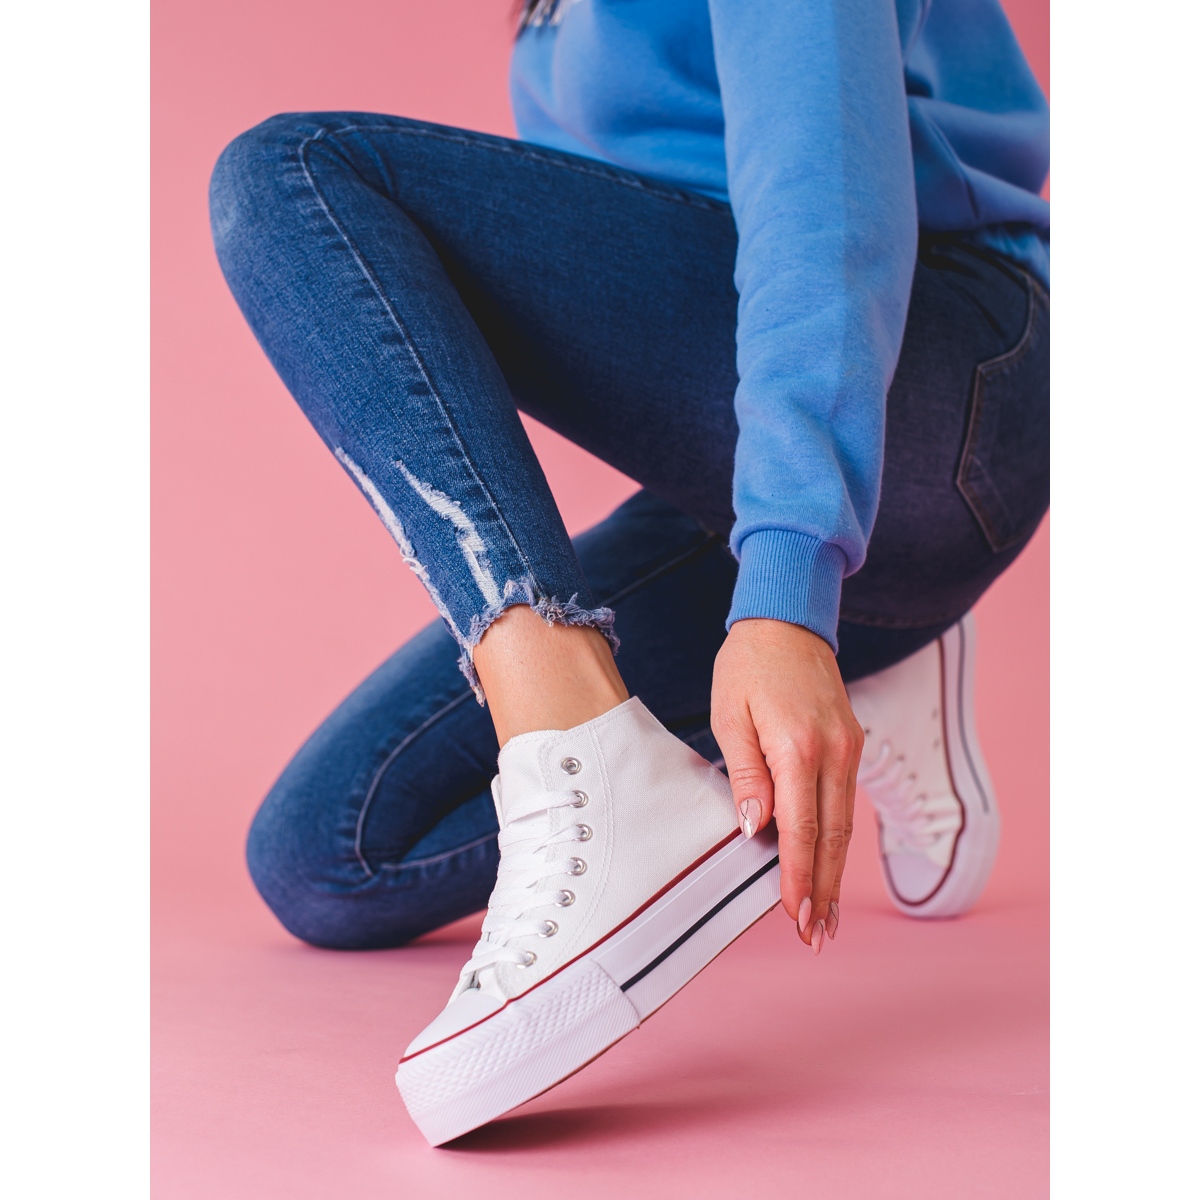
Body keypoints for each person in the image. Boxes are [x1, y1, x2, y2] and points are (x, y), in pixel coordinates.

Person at [209, 0, 1048, 1144]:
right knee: (328, 855)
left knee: (292, 177)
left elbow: (826, 206)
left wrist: (791, 585)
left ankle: (583, 749)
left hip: (950, 391)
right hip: (772, 465)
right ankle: (872, 661)